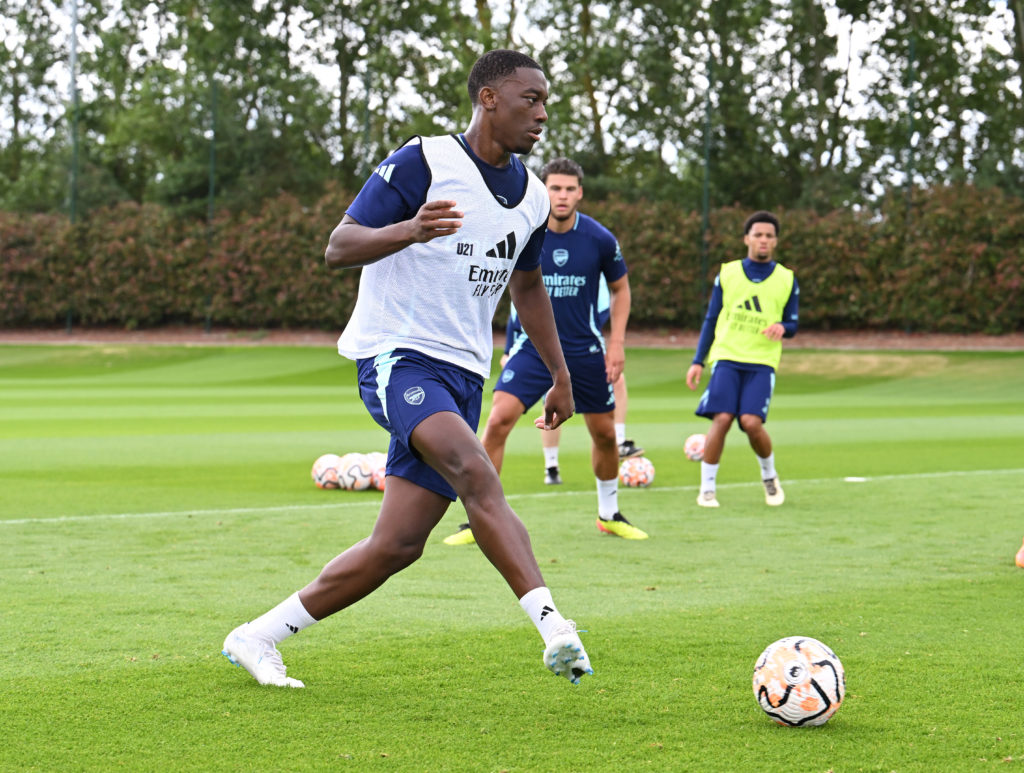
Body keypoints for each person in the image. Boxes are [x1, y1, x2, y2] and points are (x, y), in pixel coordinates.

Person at [221, 50, 592, 688]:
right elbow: (340, 245)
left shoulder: (532, 197)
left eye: (546, 100)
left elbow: (527, 288)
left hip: (465, 376)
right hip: (397, 354)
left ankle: (257, 636)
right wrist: (410, 230)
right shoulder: (425, 160)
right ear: (489, 100)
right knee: (475, 466)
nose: (543, 113)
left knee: (396, 546)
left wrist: (559, 376)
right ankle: (555, 625)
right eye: (530, 98)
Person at [444, 157, 648, 545]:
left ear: (580, 193)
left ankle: (608, 514)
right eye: (555, 187)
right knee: (498, 420)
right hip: (530, 350)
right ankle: (479, 521)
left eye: (570, 189)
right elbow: (511, 291)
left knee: (604, 434)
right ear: (544, 189)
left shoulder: (600, 239)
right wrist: (504, 344)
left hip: (585, 350)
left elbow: (621, 289)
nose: (562, 195)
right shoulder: (525, 231)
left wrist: (617, 342)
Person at [685, 210, 799, 508]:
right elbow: (711, 319)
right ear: (746, 238)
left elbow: (793, 323)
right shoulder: (728, 273)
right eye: (758, 234)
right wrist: (698, 360)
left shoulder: (787, 279)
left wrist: (783, 327)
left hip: (762, 362)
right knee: (721, 418)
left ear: (775, 242)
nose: (763, 240)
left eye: (769, 236)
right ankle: (707, 488)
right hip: (727, 357)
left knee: (750, 422)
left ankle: (769, 476)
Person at [499, 276, 643, 489]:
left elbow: (603, 309)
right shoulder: (529, 269)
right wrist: (509, 354)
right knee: (543, 404)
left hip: (579, 349)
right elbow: (516, 320)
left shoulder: (590, 264)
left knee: (616, 381)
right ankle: (551, 466)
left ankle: (619, 443)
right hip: (539, 351)